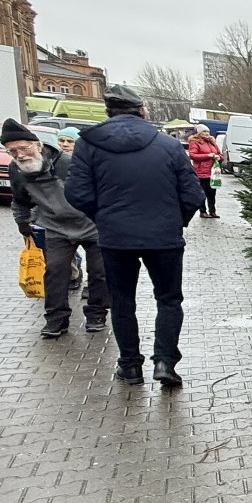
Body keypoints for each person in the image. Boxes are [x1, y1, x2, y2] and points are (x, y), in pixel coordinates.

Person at [66, 85, 204, 387]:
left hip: (115, 239)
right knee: (169, 300)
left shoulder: (88, 145)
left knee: (122, 301)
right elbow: (193, 194)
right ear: (142, 110)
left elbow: (76, 193)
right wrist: (174, 220)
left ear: (108, 111)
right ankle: (165, 362)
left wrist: (104, 218)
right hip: (164, 238)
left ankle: (129, 366)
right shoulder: (168, 146)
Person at [2, 118, 109, 339]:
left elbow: (100, 190)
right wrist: (22, 223)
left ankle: (97, 313)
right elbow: (20, 200)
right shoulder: (17, 170)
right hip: (56, 227)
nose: (20, 155)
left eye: (23, 148)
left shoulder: (68, 163)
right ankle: (56, 318)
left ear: (38, 145)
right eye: (12, 151)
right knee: (55, 272)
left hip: (91, 225)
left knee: (100, 272)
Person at [55, 127, 86, 292]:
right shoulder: (53, 163)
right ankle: (74, 275)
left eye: (70, 141)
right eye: (62, 141)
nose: (65, 144)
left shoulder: (85, 161)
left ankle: (91, 284)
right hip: (61, 216)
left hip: (85, 215)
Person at [187, 124, 223, 218]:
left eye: (208, 131)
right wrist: (208, 155)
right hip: (201, 172)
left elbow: (220, 154)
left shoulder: (212, 142)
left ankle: (212, 211)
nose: (207, 133)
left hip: (213, 172)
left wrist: (219, 157)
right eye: (204, 131)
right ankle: (203, 211)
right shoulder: (194, 142)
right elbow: (192, 155)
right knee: (202, 193)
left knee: (212, 193)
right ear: (199, 133)